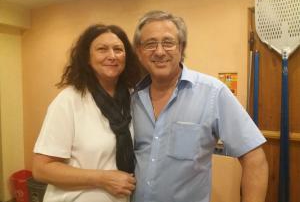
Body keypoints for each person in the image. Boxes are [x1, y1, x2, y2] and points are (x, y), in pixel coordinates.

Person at [131, 10, 268, 202]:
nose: (160, 51)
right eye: (150, 44)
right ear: (139, 51)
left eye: (168, 42)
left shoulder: (212, 92)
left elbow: (254, 158)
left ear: (181, 47)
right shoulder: (132, 99)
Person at [32, 24, 141, 202]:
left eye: (118, 49)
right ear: (87, 59)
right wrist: (102, 179)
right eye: (102, 49)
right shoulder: (69, 100)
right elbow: (41, 169)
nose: (112, 56)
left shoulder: (133, 98)